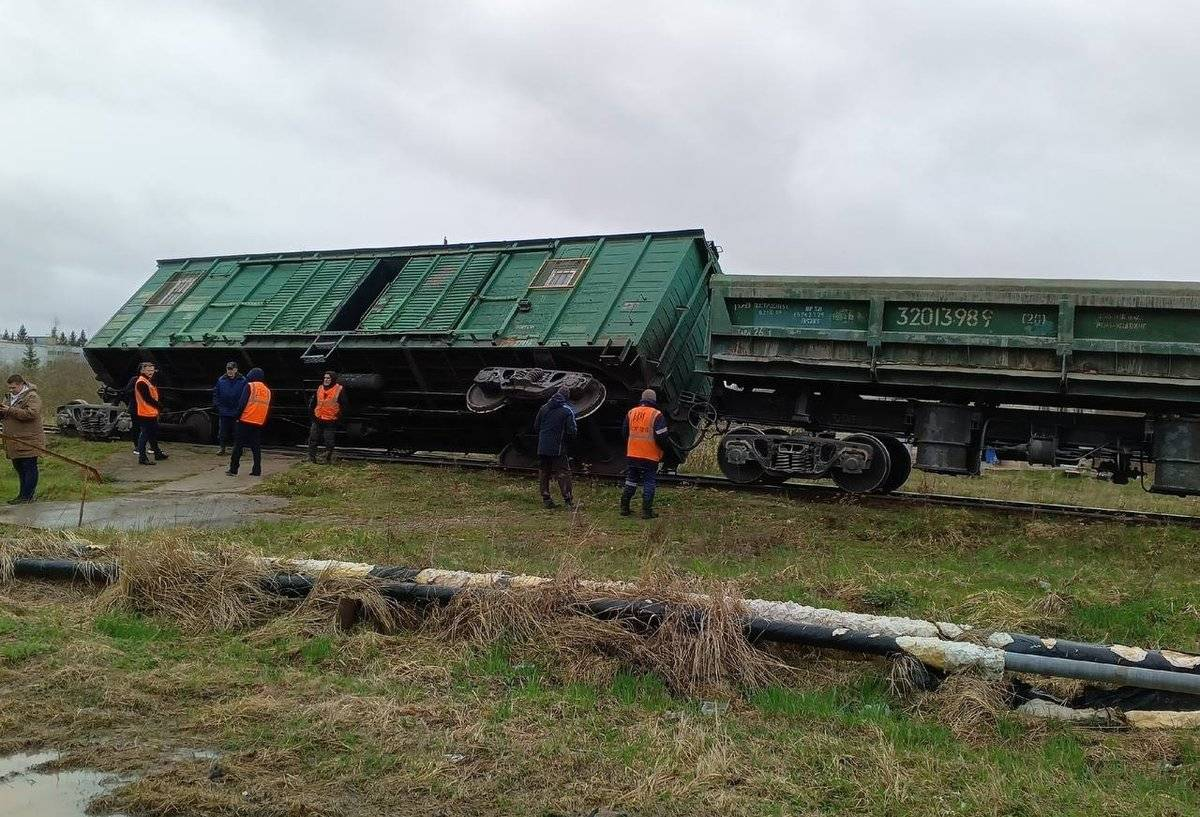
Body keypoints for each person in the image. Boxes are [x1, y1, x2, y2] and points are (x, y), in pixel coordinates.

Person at [620, 388, 671, 519]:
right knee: (649, 482)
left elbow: (625, 432)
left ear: (642, 399)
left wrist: (632, 444)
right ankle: (646, 511)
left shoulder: (632, 412)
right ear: (654, 400)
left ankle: (624, 507)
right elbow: (662, 436)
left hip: (633, 453)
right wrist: (663, 449)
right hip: (650, 455)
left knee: (631, 480)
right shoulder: (656, 415)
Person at [1, 374, 45, 504]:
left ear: (21, 385)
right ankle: (22, 495)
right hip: (14, 440)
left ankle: (27, 497)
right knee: (19, 467)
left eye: (13, 387)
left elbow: (31, 414)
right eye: (9, 388)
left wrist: (9, 410)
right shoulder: (8, 397)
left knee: (29, 467)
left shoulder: (32, 397)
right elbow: (7, 413)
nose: (11, 390)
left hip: (29, 439)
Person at [533, 385, 577, 508]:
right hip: (558, 447)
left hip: (542, 447)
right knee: (563, 473)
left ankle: (546, 498)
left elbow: (536, 426)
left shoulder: (543, 408)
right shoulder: (567, 411)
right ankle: (568, 500)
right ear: (566, 397)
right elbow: (572, 431)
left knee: (544, 472)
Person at [227, 367, 270, 477]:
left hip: (245, 420)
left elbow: (242, 403)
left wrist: (237, 416)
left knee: (238, 446)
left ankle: (233, 469)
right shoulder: (267, 390)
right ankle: (257, 470)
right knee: (256, 447)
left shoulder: (250, 386)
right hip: (258, 422)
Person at [307, 371, 348, 464]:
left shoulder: (339, 389)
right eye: (325, 378)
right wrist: (312, 416)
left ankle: (327, 459)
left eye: (328, 378)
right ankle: (311, 458)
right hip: (318, 418)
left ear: (332, 379)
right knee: (313, 439)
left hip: (330, 420)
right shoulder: (320, 388)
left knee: (329, 441)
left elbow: (344, 406)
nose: (326, 380)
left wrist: (338, 417)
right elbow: (313, 403)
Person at [134, 362, 169, 465]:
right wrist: (160, 406)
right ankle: (142, 457)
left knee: (152, 434)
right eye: (148, 370)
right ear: (142, 370)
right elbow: (147, 399)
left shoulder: (146, 381)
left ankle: (157, 453)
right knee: (145, 435)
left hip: (150, 412)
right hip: (145, 413)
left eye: (152, 370)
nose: (151, 372)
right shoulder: (141, 382)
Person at [212, 361, 246, 456]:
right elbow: (216, 393)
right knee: (222, 432)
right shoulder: (221, 380)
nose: (229, 371)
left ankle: (238, 449)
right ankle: (222, 448)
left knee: (237, 432)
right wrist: (217, 405)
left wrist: (241, 408)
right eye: (228, 369)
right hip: (224, 411)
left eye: (231, 369)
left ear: (236, 369)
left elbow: (246, 395)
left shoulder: (243, 381)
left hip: (237, 411)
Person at [121, 371, 141, 452]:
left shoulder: (151, 381)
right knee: (136, 427)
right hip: (136, 408)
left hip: (148, 409)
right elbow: (127, 391)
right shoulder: (135, 379)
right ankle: (137, 446)